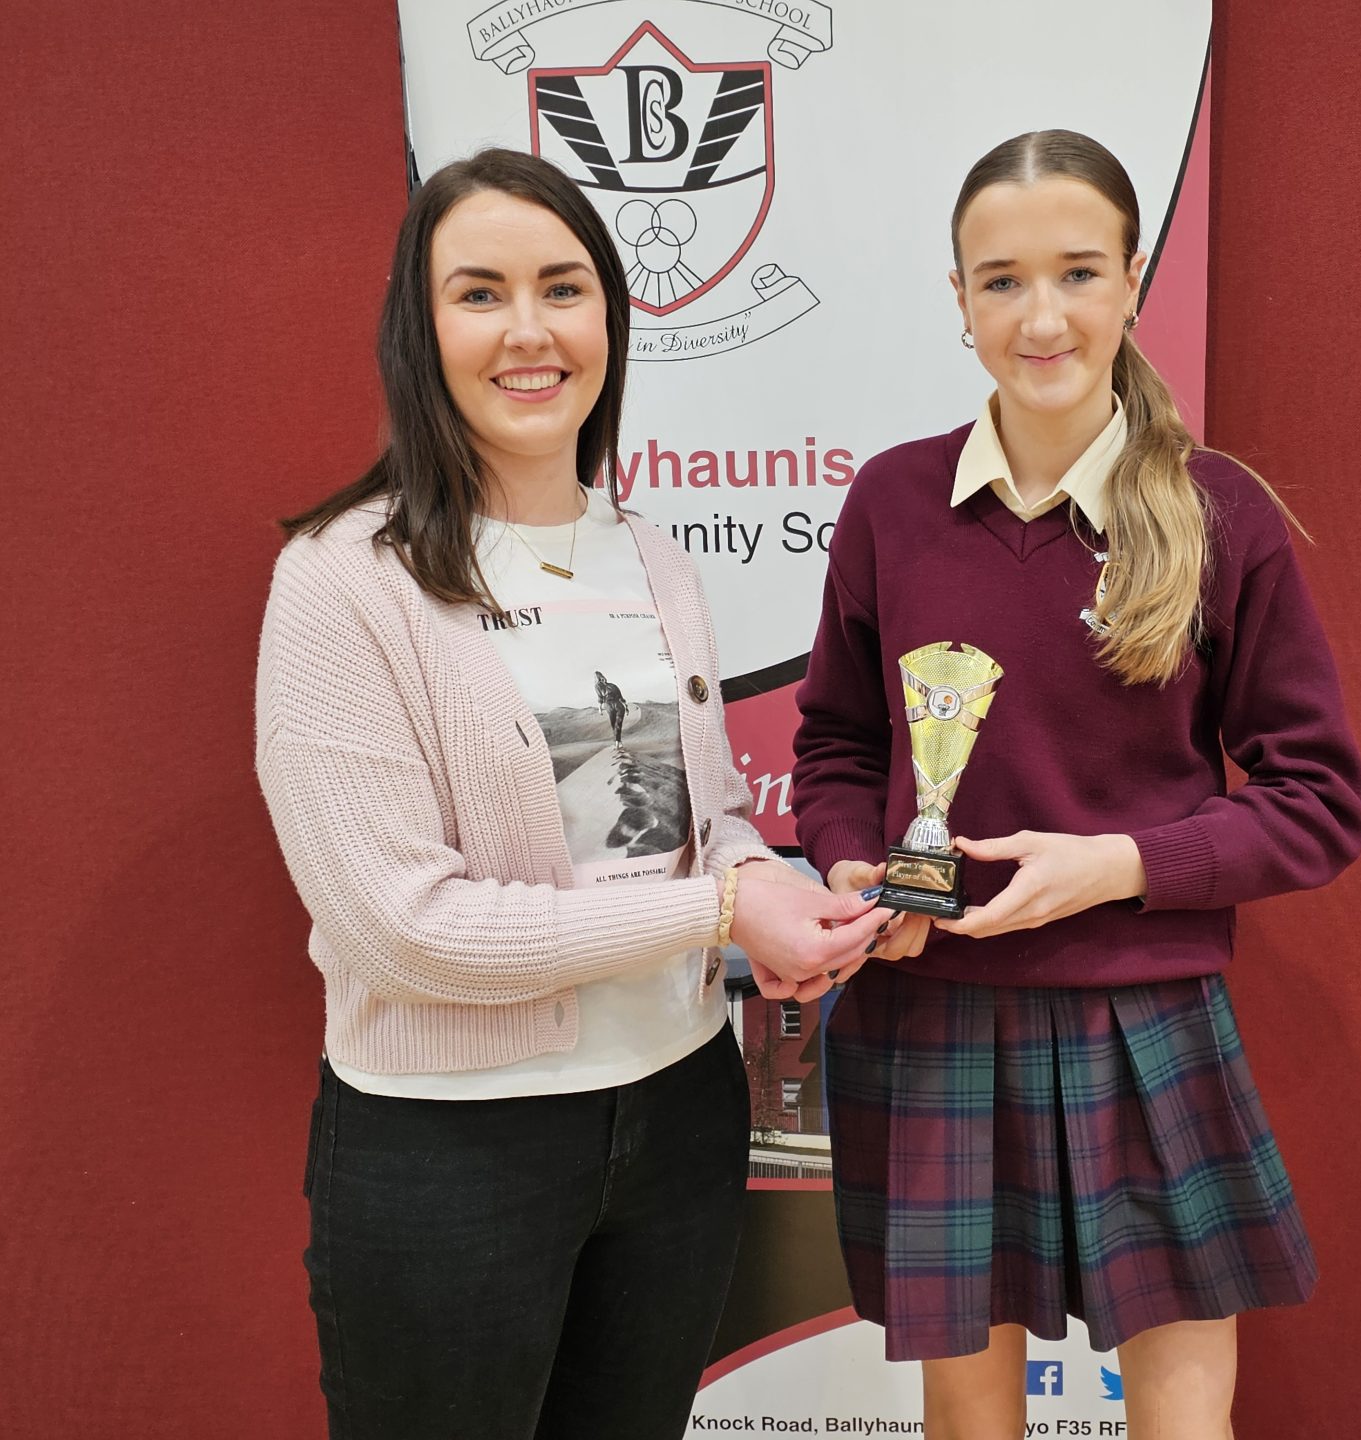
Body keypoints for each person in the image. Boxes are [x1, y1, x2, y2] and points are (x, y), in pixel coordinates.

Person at [255, 148, 882, 1440]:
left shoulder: (649, 556)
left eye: (563, 287)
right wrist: (723, 912)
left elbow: (695, 825)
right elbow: (405, 928)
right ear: (420, 330)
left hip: (680, 1117)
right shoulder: (343, 581)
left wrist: (770, 889)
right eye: (480, 294)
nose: (529, 330)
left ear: (611, 315)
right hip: (453, 1151)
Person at [790, 130, 1361, 1439]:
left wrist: (1116, 867)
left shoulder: (1219, 512)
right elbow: (838, 748)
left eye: (1077, 273)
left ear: (1134, 279)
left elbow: (1320, 800)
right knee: (967, 1416)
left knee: (1181, 1415)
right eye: (1001, 281)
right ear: (957, 297)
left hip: (1143, 1012)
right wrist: (855, 869)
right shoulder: (891, 501)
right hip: (934, 1007)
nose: (1040, 317)